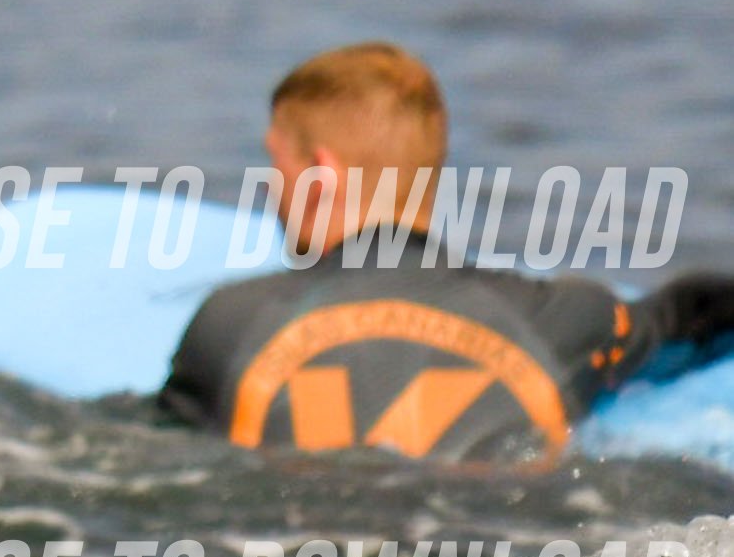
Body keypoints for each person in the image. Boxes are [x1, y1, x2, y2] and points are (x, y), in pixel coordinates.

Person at [162, 42, 734, 462]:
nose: (269, 186)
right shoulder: (562, 321)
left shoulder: (231, 325)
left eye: (275, 162)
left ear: (321, 174)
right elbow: (693, 315)